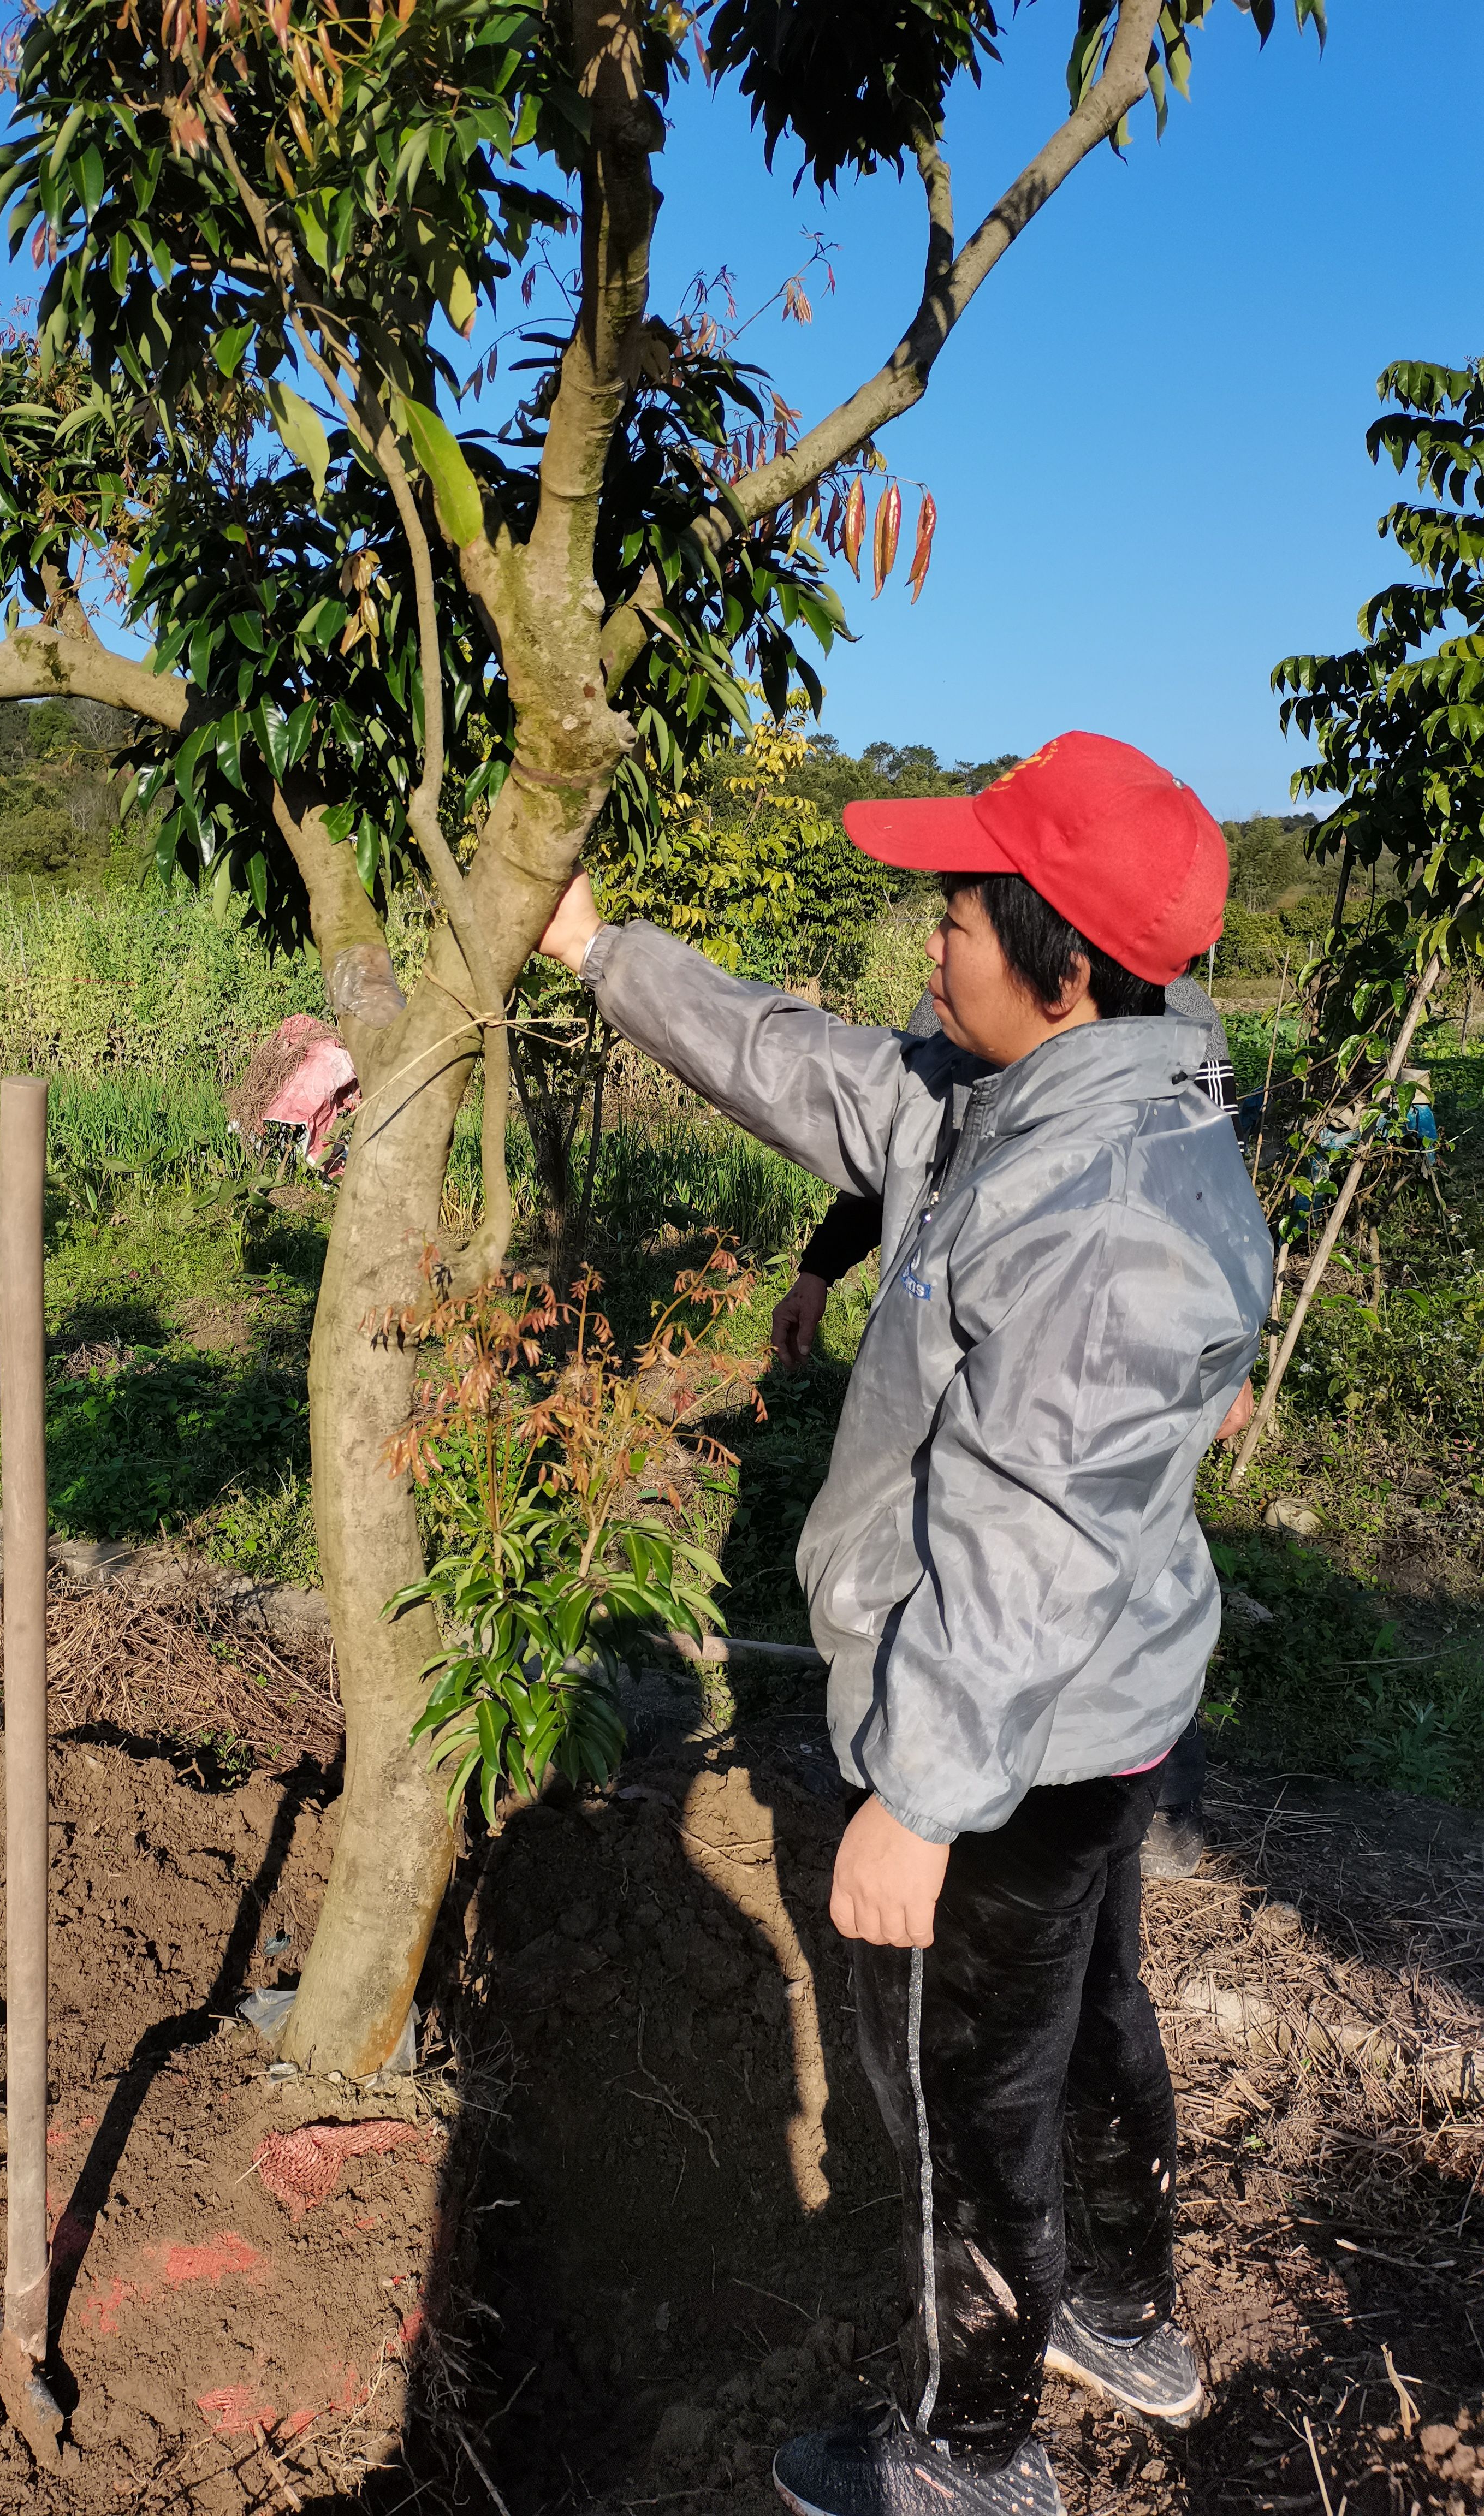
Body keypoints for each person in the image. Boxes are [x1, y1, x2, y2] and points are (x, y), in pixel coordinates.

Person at [537, 733, 1272, 2516]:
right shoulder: (1029, 1100)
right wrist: (598, 952)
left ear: (1066, 966)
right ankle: (1122, 2313)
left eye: (957, 912)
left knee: (958, 2087)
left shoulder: (1100, 1217)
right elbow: (810, 1065)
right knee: (1077, 2013)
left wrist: (922, 1800)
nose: (927, 938)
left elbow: (1031, 1540)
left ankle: (969, 2450)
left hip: (1015, 1735)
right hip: (1094, 1707)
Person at [770, 975, 1242, 1888]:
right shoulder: (961, 999)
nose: (941, 948)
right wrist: (819, 1269)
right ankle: (957, 1770)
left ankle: (1153, 1792)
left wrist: (1226, 1357)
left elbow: (1207, 1185)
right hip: (962, 1353)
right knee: (964, 1549)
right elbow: (910, 1157)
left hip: (1116, 1352)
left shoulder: (1181, 1023)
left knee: (1116, 1557)